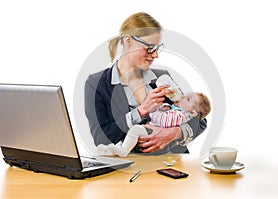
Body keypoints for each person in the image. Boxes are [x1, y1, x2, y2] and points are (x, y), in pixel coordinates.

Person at [84, 12, 208, 155]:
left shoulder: (162, 78)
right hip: (127, 166)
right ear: (128, 41)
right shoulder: (96, 83)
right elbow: (101, 138)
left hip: (170, 165)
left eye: (157, 48)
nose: (155, 55)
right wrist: (141, 110)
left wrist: (175, 132)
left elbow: (199, 118)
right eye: (150, 47)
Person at [96, 92, 211, 157]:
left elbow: (201, 122)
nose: (182, 96)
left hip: (161, 150)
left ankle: (123, 150)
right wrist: (159, 108)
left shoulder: (181, 114)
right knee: (131, 135)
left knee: (135, 130)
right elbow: (101, 134)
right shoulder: (179, 109)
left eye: (187, 99)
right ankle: (115, 150)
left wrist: (177, 132)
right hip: (140, 149)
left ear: (193, 112)